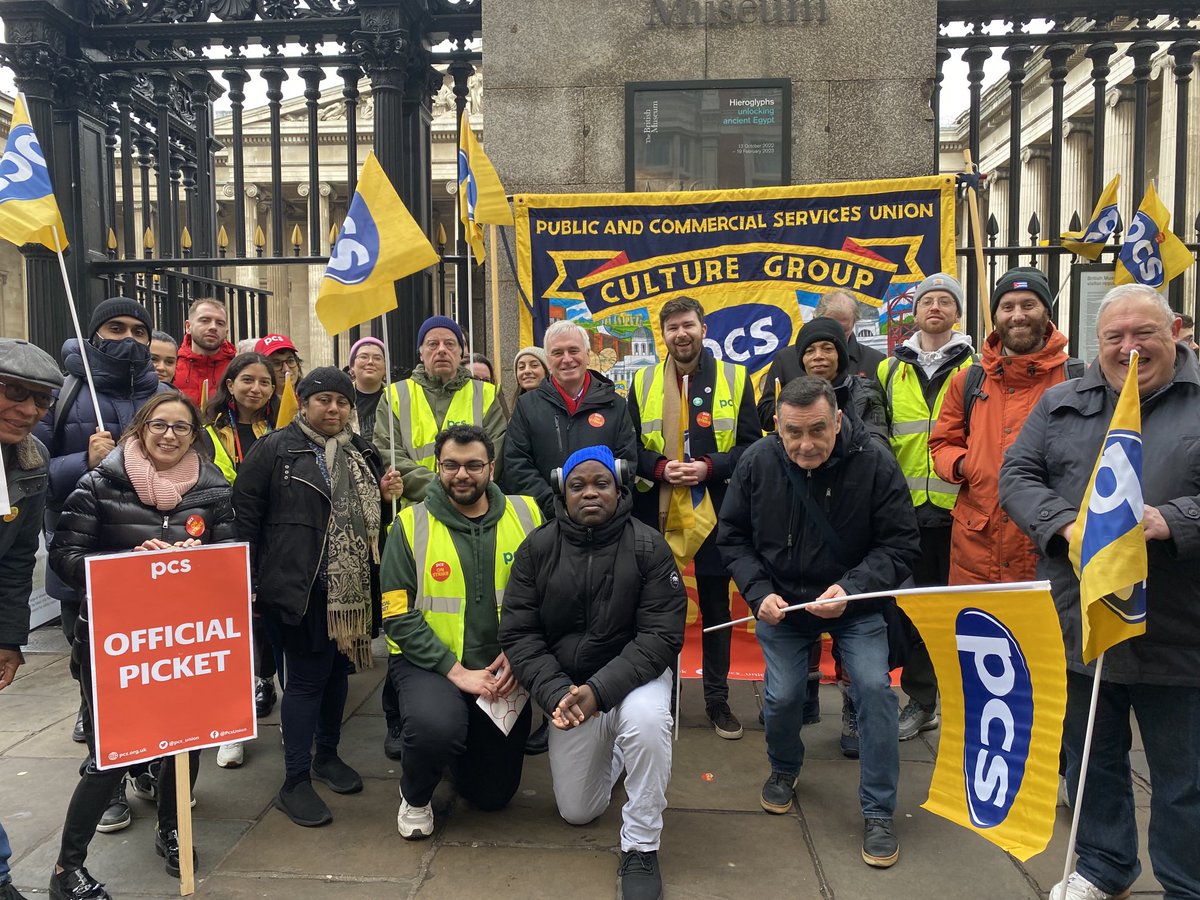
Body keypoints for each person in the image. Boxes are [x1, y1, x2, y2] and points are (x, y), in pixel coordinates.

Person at [1000, 284, 1200, 900]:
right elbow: (1017, 474)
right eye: (1115, 337)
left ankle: (1186, 882)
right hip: (1083, 622)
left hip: (1179, 627)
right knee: (1091, 761)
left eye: (1144, 334)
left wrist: (1173, 519)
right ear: (1098, 342)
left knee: (1183, 777)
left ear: (1176, 334)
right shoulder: (1062, 402)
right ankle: (1101, 866)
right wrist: (1064, 524)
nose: (1129, 347)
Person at [717, 376, 919, 869]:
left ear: (838, 421)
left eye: (817, 431)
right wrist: (759, 593)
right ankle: (784, 769)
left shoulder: (874, 461)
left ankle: (877, 810)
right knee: (783, 696)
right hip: (782, 604)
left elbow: (900, 544)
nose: (806, 445)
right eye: (793, 433)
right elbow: (733, 537)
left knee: (874, 690)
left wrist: (851, 590)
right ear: (777, 428)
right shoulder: (757, 462)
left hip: (855, 603)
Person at [47, 392, 236, 897]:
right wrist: (132, 564)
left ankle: (174, 831)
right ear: (140, 429)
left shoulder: (215, 492)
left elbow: (238, 558)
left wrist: (205, 559)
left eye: (181, 427)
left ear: (195, 436)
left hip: (186, 643)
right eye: (160, 425)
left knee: (186, 739)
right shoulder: (98, 484)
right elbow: (64, 557)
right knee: (112, 753)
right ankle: (68, 869)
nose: (170, 435)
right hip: (116, 645)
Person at [500, 445, 686, 900]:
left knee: (645, 723)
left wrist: (598, 692)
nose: (589, 493)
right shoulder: (537, 548)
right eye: (578, 484)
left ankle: (641, 844)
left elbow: (661, 636)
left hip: (636, 681)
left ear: (619, 486)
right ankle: (618, 753)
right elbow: (519, 632)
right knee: (578, 812)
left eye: (601, 483)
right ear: (562, 491)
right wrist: (556, 692)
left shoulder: (649, 546)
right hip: (569, 689)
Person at [233, 367, 403, 828]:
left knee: (336, 674)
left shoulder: (363, 450)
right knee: (307, 679)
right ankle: (294, 781)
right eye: (323, 399)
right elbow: (245, 519)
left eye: (342, 402)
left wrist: (388, 497)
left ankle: (326, 756)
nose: (333, 409)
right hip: (299, 589)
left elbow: (372, 524)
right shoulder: (274, 449)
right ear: (304, 403)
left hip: (352, 593)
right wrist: (247, 580)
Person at [34, 296, 170, 832]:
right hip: (86, 566)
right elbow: (29, 469)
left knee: (152, 677)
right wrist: (80, 464)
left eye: (140, 330)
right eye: (116, 327)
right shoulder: (63, 392)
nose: (130, 339)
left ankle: (149, 767)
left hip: (152, 568)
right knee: (100, 685)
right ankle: (107, 781)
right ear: (93, 333)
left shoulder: (162, 396)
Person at [381, 425, 541, 838]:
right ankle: (415, 796)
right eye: (451, 465)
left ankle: (455, 752)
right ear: (438, 467)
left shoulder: (527, 515)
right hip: (430, 664)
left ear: (491, 466)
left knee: (491, 797)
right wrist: (457, 672)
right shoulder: (409, 524)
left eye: (473, 465)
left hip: (502, 666)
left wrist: (519, 653)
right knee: (437, 729)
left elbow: (548, 594)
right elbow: (396, 614)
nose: (462, 474)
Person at [627, 296, 760, 740]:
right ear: (663, 334)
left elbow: (750, 448)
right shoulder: (642, 381)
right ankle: (661, 696)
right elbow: (629, 449)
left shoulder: (735, 378)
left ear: (704, 328)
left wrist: (709, 467)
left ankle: (717, 700)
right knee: (658, 609)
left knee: (717, 608)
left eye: (688, 325)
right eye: (672, 328)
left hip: (715, 513)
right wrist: (661, 468)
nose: (680, 334)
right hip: (657, 513)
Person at [929, 267, 1077, 589]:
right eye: (1007, 307)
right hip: (977, 551)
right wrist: (968, 464)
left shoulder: (1077, 378)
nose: (1017, 316)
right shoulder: (967, 380)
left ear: (1047, 312)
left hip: (1049, 546)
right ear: (995, 315)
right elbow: (941, 444)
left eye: (1028, 305)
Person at [875, 272, 975, 744]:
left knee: (966, 613)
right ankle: (922, 700)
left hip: (966, 512)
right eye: (926, 301)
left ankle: (965, 704)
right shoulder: (889, 370)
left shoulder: (977, 366)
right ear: (914, 313)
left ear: (957, 312)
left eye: (945, 301)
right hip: (909, 513)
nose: (935, 307)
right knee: (915, 612)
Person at [0, 339, 62, 900]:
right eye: (13, 392)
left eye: (39, 400)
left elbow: (19, 560)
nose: (27, 410)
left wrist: (10, 639)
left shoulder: (31, 459)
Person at [201, 352, 282, 770]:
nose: (256, 388)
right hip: (224, 540)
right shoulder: (207, 432)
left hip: (270, 541)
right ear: (229, 384)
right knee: (230, 638)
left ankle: (262, 688)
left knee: (265, 628)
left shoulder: (279, 430)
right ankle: (231, 729)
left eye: (265, 382)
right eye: (247, 380)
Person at [502, 320, 638, 518]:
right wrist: (556, 506)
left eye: (573, 350)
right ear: (548, 361)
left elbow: (626, 464)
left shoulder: (615, 405)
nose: (567, 359)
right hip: (547, 523)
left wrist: (598, 504)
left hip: (605, 522)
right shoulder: (527, 406)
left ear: (588, 355)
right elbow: (516, 465)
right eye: (557, 353)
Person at [374, 316, 505, 504]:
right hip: (414, 512)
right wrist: (441, 487)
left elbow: (495, 453)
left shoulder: (486, 395)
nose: (442, 350)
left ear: (462, 352)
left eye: (450, 344)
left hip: (472, 507)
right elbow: (388, 454)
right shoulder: (394, 396)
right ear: (420, 353)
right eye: (433, 344)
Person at [758, 316, 887, 442]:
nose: (818, 356)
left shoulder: (866, 395)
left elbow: (876, 444)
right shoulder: (790, 394)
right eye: (809, 351)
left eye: (827, 349)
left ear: (840, 356)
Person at [172, 298, 236, 406]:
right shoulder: (171, 365)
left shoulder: (236, 369)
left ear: (226, 332)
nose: (213, 327)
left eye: (220, 323)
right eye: (205, 320)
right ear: (188, 327)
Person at [813, 289, 887, 381]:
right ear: (815, 320)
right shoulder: (790, 361)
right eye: (830, 329)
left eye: (844, 331)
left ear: (854, 323)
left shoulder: (876, 361)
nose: (836, 337)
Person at [348, 337, 387, 445]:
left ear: (385, 367)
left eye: (377, 358)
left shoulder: (396, 398)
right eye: (363, 357)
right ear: (352, 367)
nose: (370, 362)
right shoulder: (341, 399)